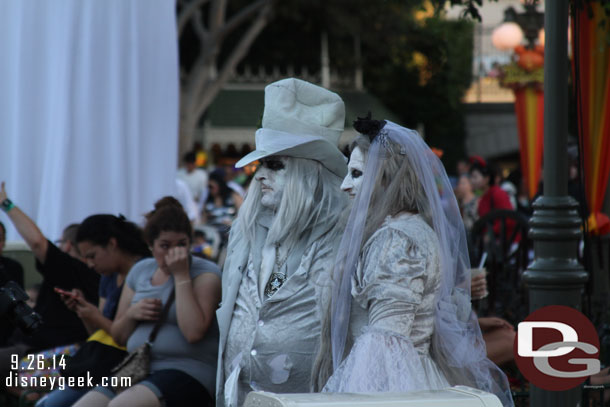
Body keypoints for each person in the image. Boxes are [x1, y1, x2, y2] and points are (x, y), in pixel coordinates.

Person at [314, 116, 513, 407]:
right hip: (415, 379)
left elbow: (385, 345)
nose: (345, 185)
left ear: (387, 178)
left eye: (357, 174)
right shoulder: (408, 230)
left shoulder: (395, 241)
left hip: (397, 388)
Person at [216, 78, 349, 407]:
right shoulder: (245, 231)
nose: (259, 175)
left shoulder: (343, 237)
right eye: (260, 165)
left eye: (274, 165)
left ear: (308, 172)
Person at [74, 197, 221, 407]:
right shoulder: (141, 270)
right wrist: (133, 314)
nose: (174, 252)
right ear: (150, 246)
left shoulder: (206, 274)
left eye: (182, 244)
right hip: (139, 368)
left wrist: (181, 277)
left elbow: (193, 332)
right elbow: (119, 336)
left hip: (188, 371)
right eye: (165, 245)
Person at [35, 214, 150, 407]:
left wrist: (95, 315)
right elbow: (99, 334)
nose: (89, 264)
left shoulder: (142, 271)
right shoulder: (108, 277)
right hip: (101, 359)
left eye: (92, 256)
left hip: (125, 364)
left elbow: (121, 336)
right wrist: (85, 313)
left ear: (112, 244)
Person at [0, 182, 99, 381]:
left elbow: (37, 242)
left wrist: (5, 203)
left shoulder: (70, 269)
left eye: (60, 242)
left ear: (69, 245)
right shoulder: (99, 278)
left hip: (44, 353)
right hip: (45, 351)